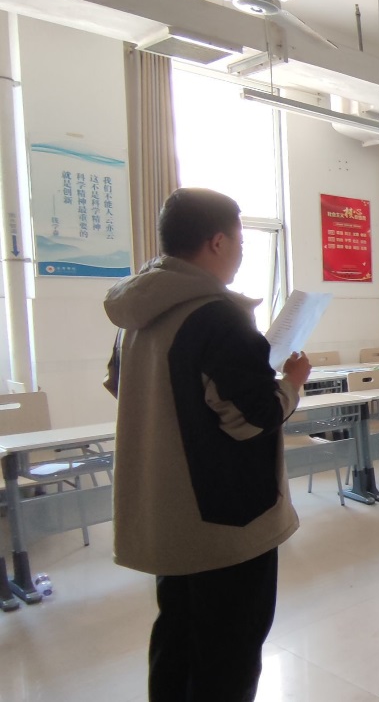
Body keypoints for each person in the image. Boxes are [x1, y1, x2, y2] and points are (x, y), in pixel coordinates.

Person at [103, 187, 311, 702]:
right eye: (240, 241)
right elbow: (250, 419)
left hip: (166, 510)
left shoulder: (136, 314)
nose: (240, 252)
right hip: (224, 521)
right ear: (217, 241)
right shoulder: (218, 316)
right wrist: (292, 383)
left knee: (176, 638)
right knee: (228, 654)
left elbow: (123, 386)